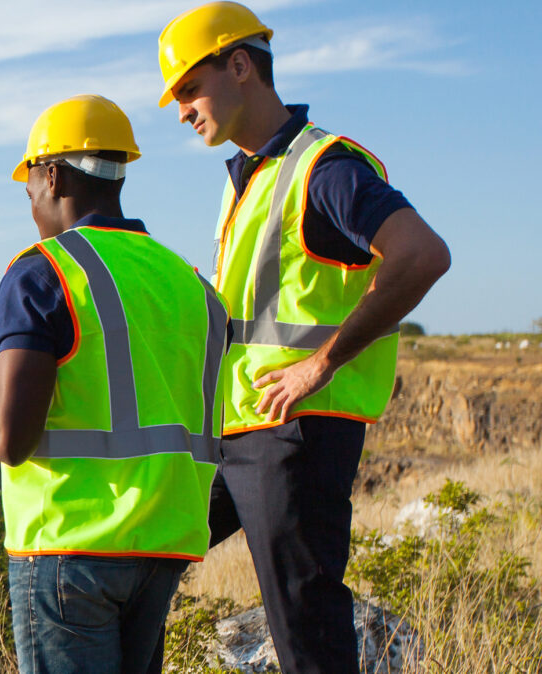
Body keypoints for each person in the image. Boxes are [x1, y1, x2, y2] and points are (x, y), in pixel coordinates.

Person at [156, 3, 451, 672]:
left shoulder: (324, 167)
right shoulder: (250, 179)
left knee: (307, 634)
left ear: (240, 66)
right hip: (238, 433)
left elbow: (423, 255)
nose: (180, 110)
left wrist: (320, 364)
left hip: (295, 436)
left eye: (188, 89)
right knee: (144, 555)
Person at [0, 94, 229, 674]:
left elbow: (7, 436)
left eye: (28, 187)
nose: (30, 202)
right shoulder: (189, 283)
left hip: (70, 549)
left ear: (51, 175)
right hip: (162, 546)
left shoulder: (43, 271)